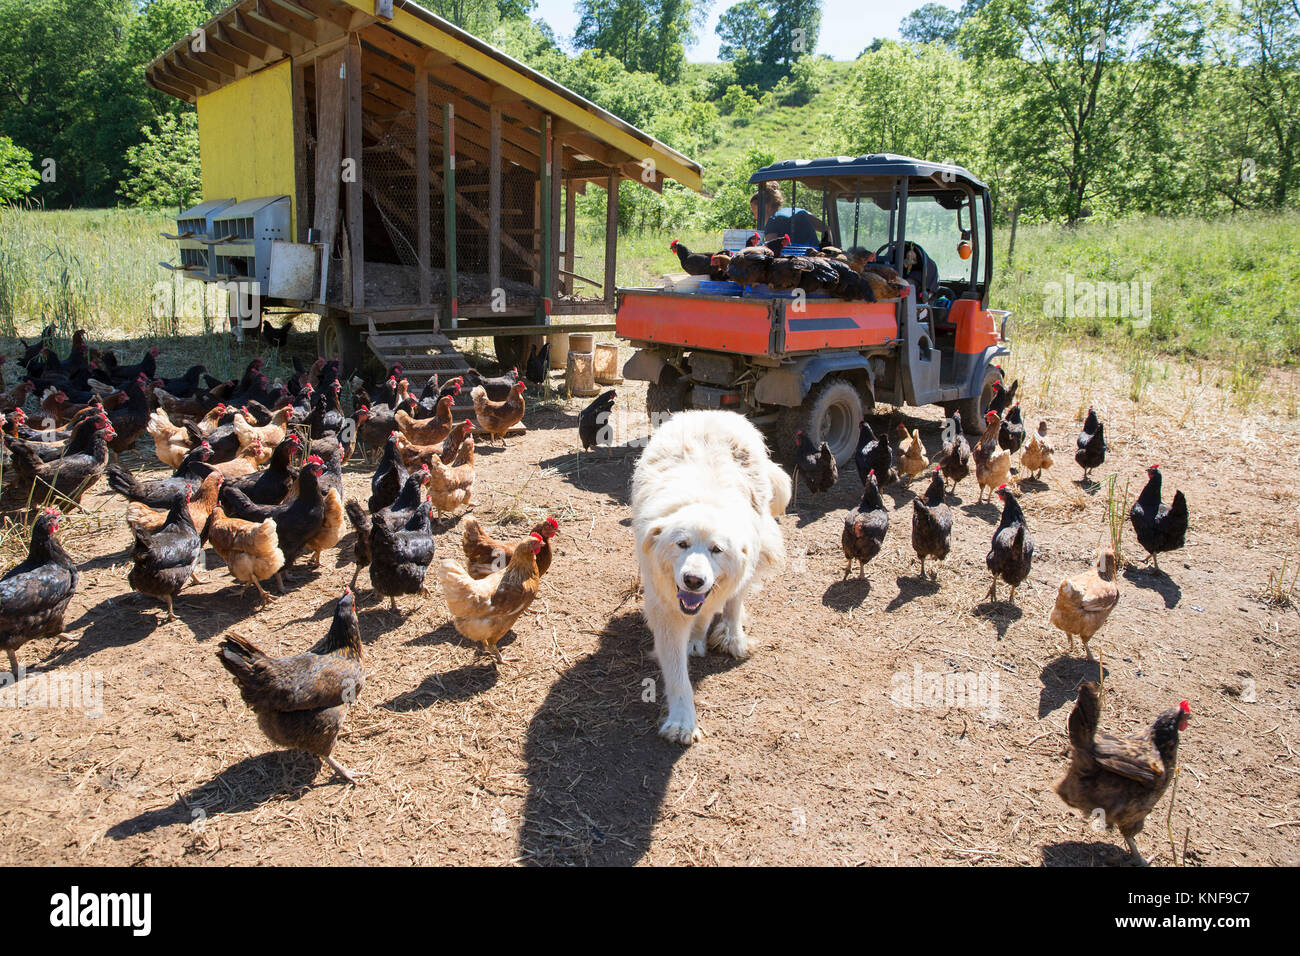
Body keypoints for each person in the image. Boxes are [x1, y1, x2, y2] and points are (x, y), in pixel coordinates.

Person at [750, 182, 824, 247]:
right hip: (817, 258)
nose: (755, 217)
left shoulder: (772, 222)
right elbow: (827, 229)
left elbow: (772, 249)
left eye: (756, 212)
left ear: (766, 207)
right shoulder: (800, 211)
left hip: (794, 261)